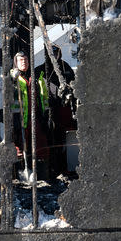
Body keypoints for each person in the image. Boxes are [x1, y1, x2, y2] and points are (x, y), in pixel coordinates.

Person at [35, 44, 76, 177]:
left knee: (62, 140)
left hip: (63, 110)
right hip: (46, 110)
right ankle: (51, 169)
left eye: (56, 53)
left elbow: (75, 87)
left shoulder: (66, 68)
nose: (54, 56)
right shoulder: (40, 70)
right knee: (48, 139)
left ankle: (64, 168)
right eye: (50, 53)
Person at [10, 51, 49, 178]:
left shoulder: (34, 77)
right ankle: (20, 173)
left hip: (34, 117)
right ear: (16, 62)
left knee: (40, 144)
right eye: (21, 60)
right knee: (20, 147)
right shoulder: (12, 77)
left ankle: (41, 173)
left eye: (26, 60)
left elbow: (42, 97)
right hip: (20, 118)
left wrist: (44, 113)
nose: (24, 62)